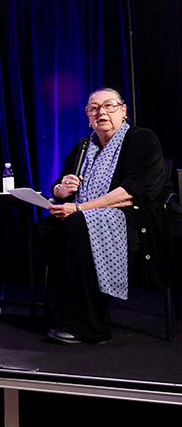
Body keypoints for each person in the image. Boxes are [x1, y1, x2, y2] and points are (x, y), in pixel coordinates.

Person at [37, 88, 171, 345]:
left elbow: (134, 191)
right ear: (87, 116)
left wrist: (80, 209)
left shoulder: (141, 139)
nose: (102, 112)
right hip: (85, 215)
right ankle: (70, 308)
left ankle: (90, 325)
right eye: (94, 108)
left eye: (109, 106)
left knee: (77, 225)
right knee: (46, 229)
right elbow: (60, 184)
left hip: (133, 218)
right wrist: (61, 189)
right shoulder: (83, 146)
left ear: (123, 110)